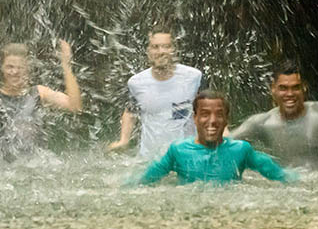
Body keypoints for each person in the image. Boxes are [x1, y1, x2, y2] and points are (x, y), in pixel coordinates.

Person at [0, 39, 82, 161]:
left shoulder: (39, 93)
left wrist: (66, 65)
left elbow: (74, 106)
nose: (14, 72)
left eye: (20, 67)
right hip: (5, 168)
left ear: (28, 69)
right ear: (2, 68)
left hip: (38, 164)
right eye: (9, 67)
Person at [131, 90, 294, 185]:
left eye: (219, 115)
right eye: (205, 114)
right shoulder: (178, 151)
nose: (213, 121)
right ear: (194, 118)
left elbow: (281, 176)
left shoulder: (241, 150)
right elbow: (144, 180)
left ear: (227, 119)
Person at [108, 28, 202, 157]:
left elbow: (209, 108)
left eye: (166, 46)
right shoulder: (136, 82)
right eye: (155, 47)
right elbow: (130, 112)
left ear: (174, 49)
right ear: (147, 51)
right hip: (150, 160)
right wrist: (123, 140)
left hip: (187, 156)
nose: (161, 51)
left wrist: (224, 135)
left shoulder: (193, 77)